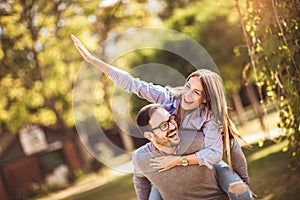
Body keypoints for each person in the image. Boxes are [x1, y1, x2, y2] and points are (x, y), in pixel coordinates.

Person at [71, 35, 256, 199]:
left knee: (238, 188)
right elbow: (133, 84)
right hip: (168, 167)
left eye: (196, 92)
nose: (188, 94)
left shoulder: (208, 118)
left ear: (205, 98)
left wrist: (178, 160)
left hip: (203, 168)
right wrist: (92, 60)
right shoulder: (168, 98)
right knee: (158, 185)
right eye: (188, 86)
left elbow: (218, 153)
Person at [133, 103, 228, 200]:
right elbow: (140, 179)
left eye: (170, 119)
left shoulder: (195, 140)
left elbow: (228, 146)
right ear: (149, 135)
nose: (172, 126)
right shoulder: (141, 158)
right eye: (163, 125)